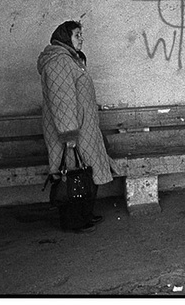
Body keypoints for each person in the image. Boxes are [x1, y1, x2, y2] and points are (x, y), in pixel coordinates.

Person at [37, 20, 114, 233]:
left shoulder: (70, 60)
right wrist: (69, 134)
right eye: (77, 35)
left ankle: (84, 215)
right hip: (71, 133)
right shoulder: (59, 62)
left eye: (81, 34)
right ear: (65, 38)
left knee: (84, 172)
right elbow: (62, 101)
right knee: (73, 175)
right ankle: (75, 220)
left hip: (82, 129)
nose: (81, 39)